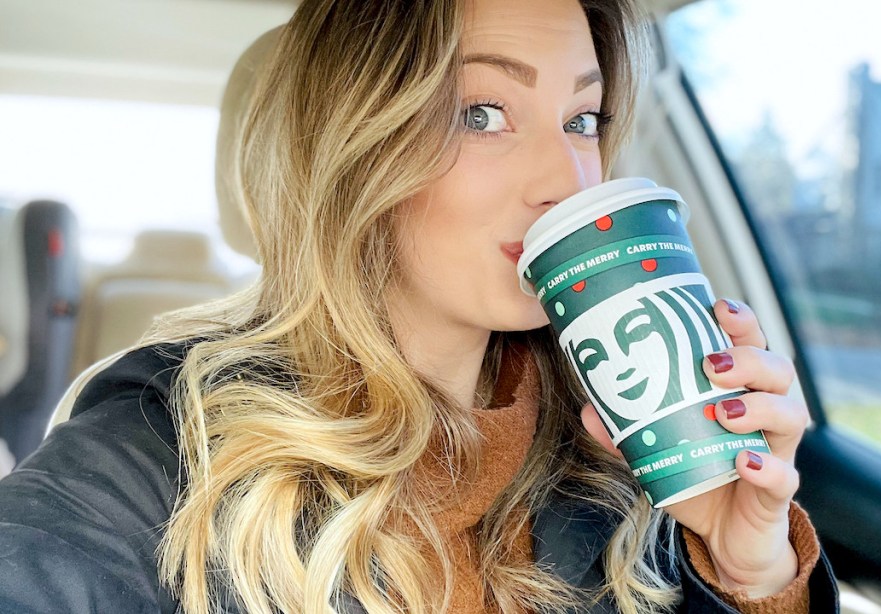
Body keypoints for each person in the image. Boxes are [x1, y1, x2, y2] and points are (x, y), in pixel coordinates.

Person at [0, 0, 838, 612]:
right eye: (482, 113)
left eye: (583, 118)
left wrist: (747, 577)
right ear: (358, 148)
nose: (568, 182)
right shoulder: (160, 443)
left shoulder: (627, 434)